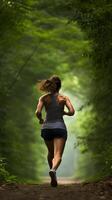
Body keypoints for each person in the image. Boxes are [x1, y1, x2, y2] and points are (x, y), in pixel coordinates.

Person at [35, 75, 75, 187]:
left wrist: (41, 119)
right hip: (60, 128)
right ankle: (53, 170)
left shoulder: (43, 98)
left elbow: (37, 112)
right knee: (58, 154)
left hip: (46, 128)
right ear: (59, 86)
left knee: (51, 153)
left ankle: (53, 174)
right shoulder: (64, 98)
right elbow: (72, 111)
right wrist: (65, 113)